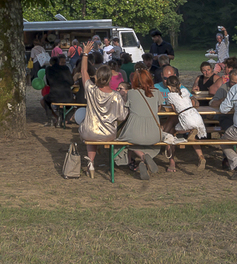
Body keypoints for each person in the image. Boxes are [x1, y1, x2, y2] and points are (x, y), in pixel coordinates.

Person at [78, 40, 128, 178]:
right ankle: (99, 164)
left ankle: (91, 163)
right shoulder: (116, 96)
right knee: (97, 133)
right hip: (108, 133)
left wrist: (85, 54)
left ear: (96, 77)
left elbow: (83, 71)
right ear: (109, 79)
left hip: (89, 131)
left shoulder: (90, 90)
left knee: (90, 131)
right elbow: (122, 117)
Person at [115, 69, 163, 180]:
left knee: (124, 140)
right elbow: (158, 109)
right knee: (141, 140)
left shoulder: (131, 93)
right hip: (154, 132)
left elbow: (127, 110)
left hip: (135, 131)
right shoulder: (156, 92)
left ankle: (142, 156)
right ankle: (144, 160)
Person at [161, 72, 207, 172]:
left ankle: (172, 161)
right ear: (180, 84)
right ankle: (201, 156)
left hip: (185, 118)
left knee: (172, 131)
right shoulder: (185, 91)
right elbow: (192, 100)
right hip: (195, 116)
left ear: (168, 86)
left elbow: (174, 109)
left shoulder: (171, 95)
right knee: (192, 133)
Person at [42, 55, 74, 126]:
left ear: (50, 63)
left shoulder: (48, 69)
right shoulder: (65, 68)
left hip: (54, 95)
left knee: (45, 100)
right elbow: (72, 82)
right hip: (68, 96)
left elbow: (48, 83)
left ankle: (50, 120)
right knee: (65, 102)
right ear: (59, 62)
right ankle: (61, 118)